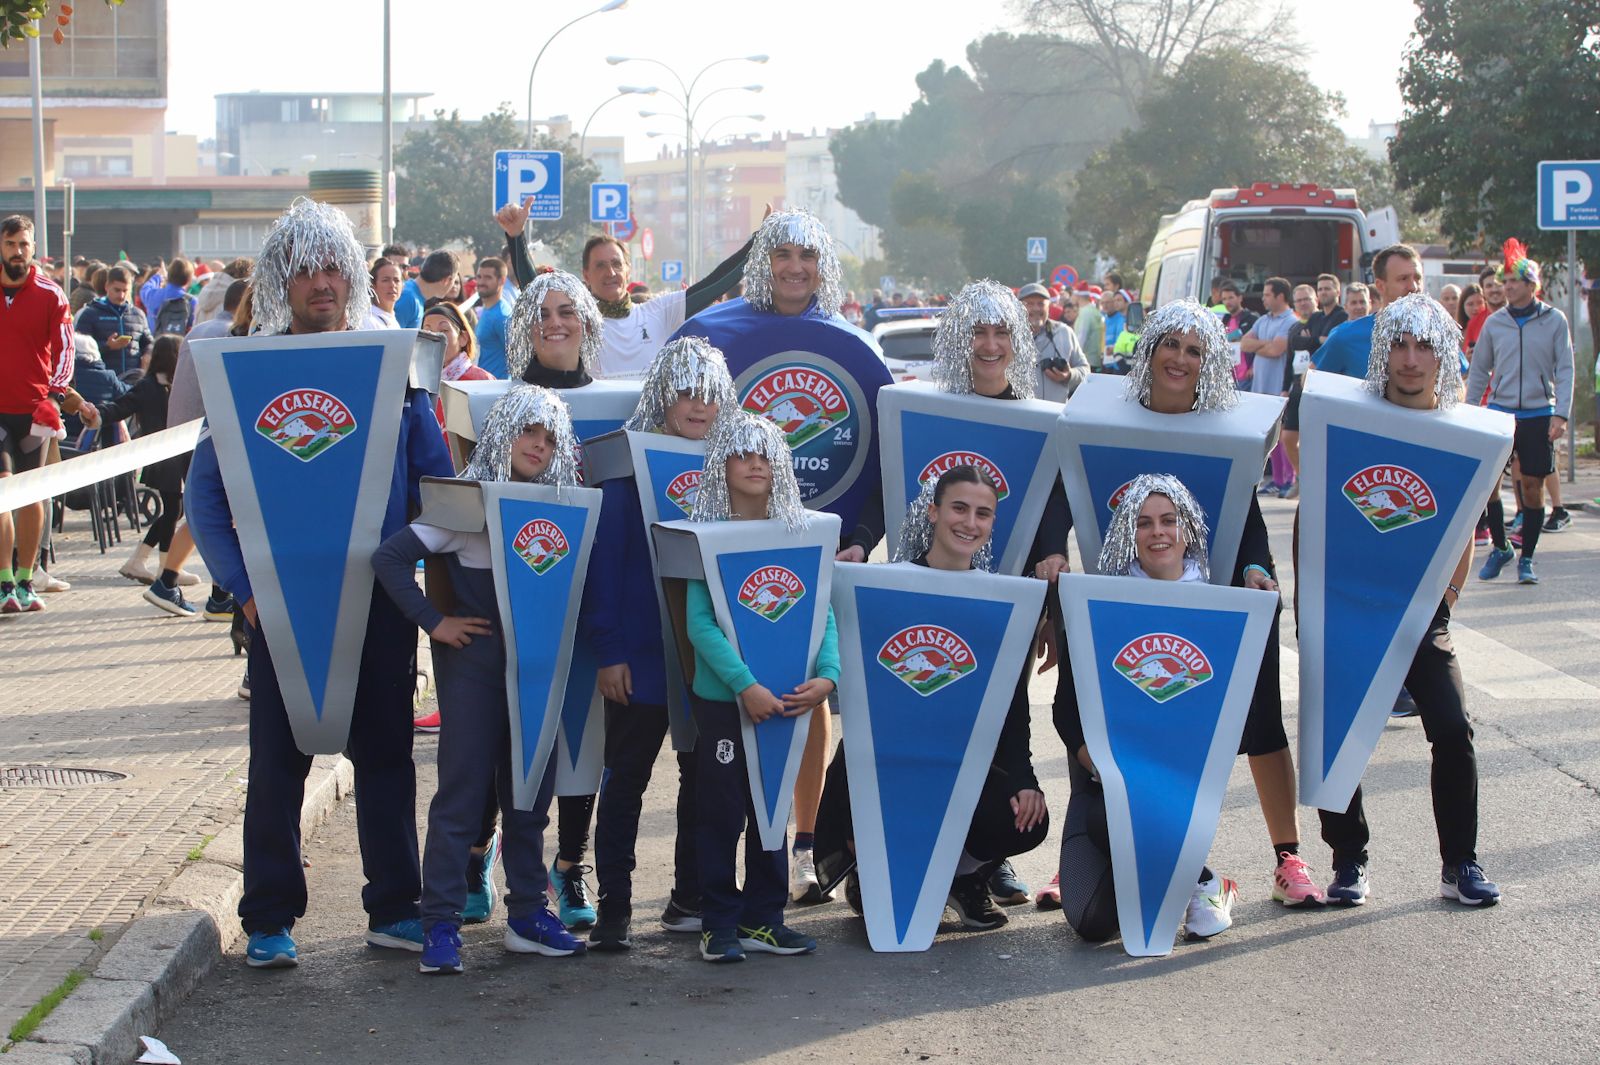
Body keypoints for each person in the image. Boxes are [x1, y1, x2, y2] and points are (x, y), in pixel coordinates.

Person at [186, 198, 454, 967]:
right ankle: (268, 916)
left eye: (333, 264)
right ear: (279, 280)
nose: (320, 281)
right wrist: (242, 587)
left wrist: (411, 565)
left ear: (354, 275)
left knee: (387, 753)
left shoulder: (390, 368)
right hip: (280, 606)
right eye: (302, 268)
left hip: (378, 605)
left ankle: (395, 906)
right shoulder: (250, 370)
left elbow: (434, 482)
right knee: (278, 760)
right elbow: (203, 495)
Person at [1060, 299, 1324, 908]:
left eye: (1195, 350)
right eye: (1170, 345)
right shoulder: (1101, 416)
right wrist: (1052, 555)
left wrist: (1257, 568)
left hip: (1216, 595)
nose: (1180, 359)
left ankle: (1287, 858)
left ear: (1210, 363)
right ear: (1148, 349)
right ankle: (1086, 849)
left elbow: (1247, 514)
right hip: (1120, 598)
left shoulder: (1225, 432)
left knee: (1260, 723)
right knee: (1105, 719)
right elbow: (1061, 488)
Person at [674, 209, 892, 907]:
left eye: (807, 255)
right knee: (713, 704)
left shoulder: (855, 348)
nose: (795, 267)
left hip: (814, 551)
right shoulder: (711, 333)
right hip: (720, 549)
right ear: (759, 260)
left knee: (805, 689)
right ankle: (701, 872)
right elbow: (666, 428)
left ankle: (800, 847)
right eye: (782, 253)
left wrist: (860, 532)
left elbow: (891, 461)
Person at [374, 384, 591, 975]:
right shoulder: (466, 503)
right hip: (474, 675)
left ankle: (527, 915)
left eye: (549, 438)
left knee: (529, 797)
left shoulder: (564, 505)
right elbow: (389, 559)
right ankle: (439, 924)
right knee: (461, 798)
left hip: (538, 675)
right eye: (528, 432)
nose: (538, 446)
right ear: (502, 433)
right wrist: (433, 622)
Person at [1310, 293, 1500, 907]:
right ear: (1382, 351)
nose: (1411, 359)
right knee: (1339, 732)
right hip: (1345, 603)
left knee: (1452, 726)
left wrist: (1442, 599)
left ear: (1443, 354)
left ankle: (1460, 864)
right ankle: (1348, 859)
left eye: (1424, 346)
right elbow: (1315, 510)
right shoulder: (1349, 417)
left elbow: (1466, 528)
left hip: (1422, 610)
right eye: (1399, 344)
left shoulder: (1465, 434)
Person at [815, 465, 1051, 929]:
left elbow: (1012, 704)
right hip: (889, 760)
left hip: (964, 760)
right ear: (933, 511)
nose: (969, 522)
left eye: (983, 514)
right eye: (959, 508)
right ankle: (871, 872)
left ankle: (961, 877)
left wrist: (1024, 777)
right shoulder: (886, 585)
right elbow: (861, 702)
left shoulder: (1002, 600)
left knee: (1023, 817)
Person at [582, 337, 734, 950]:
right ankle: (613, 909)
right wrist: (609, 651)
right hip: (640, 657)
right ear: (662, 397)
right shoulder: (628, 469)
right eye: (685, 392)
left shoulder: (735, 468)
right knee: (626, 783)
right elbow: (601, 566)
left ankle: (689, 898)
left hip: (708, 662)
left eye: (709, 394)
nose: (698, 406)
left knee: (704, 781)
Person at [1055, 474, 1242, 942]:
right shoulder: (1099, 603)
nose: (1157, 532)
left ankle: (1202, 883)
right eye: (1143, 523)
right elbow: (1065, 708)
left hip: (1178, 785)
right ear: (1127, 535)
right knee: (1093, 925)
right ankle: (1191, 876)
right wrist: (1094, 763)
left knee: (1149, 811)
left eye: (1168, 521)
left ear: (1189, 530)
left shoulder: (1222, 607)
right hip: (1106, 788)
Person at [684, 412, 838, 963]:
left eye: (766, 454)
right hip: (728, 703)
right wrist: (744, 685)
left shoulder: (803, 534)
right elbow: (700, 624)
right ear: (720, 464)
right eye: (742, 453)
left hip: (790, 700)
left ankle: (765, 918)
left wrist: (829, 676)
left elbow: (823, 614)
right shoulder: (708, 535)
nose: (755, 464)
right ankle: (718, 923)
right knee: (722, 813)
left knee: (772, 809)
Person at [503, 267, 606, 928]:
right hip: (519, 597)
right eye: (542, 312)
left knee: (582, 740)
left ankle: (570, 867)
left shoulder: (620, 404)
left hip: (590, 596)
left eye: (568, 310)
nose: (556, 322)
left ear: (588, 321)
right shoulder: (500, 404)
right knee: (511, 737)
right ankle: (497, 858)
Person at [495, 202, 755, 379]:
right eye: (600, 266)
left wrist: (757, 244)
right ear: (585, 274)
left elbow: (714, 285)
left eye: (616, 264)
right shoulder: (577, 321)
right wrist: (516, 237)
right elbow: (537, 292)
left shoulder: (659, 312)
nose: (610, 273)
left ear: (628, 270)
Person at [1466, 241, 1574, 586]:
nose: (1506, 286)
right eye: (1504, 280)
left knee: (1531, 488)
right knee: (1490, 486)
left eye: (1514, 281)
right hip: (1500, 413)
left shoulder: (1554, 320)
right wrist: (1471, 414)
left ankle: (1527, 558)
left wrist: (1562, 415)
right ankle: (1500, 547)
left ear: (1531, 285)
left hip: (1539, 413)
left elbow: (1566, 369)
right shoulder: (1495, 323)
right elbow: (1480, 370)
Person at [0, 215, 86, 615]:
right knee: (3, 491)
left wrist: (54, 395)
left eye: (24, 244)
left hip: (36, 411)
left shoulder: (52, 295)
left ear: (34, 248)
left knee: (32, 494)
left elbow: (65, 350)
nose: (18, 251)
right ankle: (3, 584)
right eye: (11, 243)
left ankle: (24, 580)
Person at [81, 335, 199, 613]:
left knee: (175, 511)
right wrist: (96, 415)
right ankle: (159, 566)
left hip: (177, 457)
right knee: (174, 511)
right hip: (161, 457)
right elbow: (121, 406)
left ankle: (153, 563)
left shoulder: (176, 387)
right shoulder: (149, 386)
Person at [1241, 276, 1297, 494]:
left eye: (1266, 294)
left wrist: (1260, 346)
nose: (1262, 299)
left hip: (1278, 388)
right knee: (1269, 436)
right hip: (1261, 388)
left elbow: (1277, 351)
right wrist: (1266, 345)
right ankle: (1276, 478)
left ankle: (1287, 480)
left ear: (1280, 296)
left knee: (1283, 436)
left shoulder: (1290, 321)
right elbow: (1244, 344)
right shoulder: (1262, 320)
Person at [74, 265, 154, 378]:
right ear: (107, 286)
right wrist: (107, 346)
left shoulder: (138, 315)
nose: (121, 296)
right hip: (102, 381)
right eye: (117, 290)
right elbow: (79, 349)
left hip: (133, 381)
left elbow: (148, 342)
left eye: (125, 291)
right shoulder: (90, 314)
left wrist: (148, 354)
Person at [1020, 281, 1089, 403]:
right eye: (1030, 304)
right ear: (1018, 306)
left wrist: (1069, 376)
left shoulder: (1064, 332)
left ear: (1049, 306)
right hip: (1018, 417)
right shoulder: (1007, 335)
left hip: (1056, 416)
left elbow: (1085, 370)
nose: (1036, 308)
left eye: (1041, 304)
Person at [472, 257, 515, 379]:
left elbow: (517, 358)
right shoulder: (487, 309)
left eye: (488, 277)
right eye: (479, 277)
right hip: (484, 386)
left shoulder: (503, 316)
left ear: (501, 280)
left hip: (497, 389)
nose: (481, 282)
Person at [395, 250, 456, 329]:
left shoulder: (413, 295)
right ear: (447, 280)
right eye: (454, 281)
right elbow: (392, 338)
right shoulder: (408, 298)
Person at [147, 258, 198, 336]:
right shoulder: (192, 301)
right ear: (189, 279)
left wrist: (158, 276)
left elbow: (145, 288)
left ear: (169, 275)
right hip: (181, 344)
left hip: (158, 344)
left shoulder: (154, 295)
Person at [1073, 284, 1105, 371]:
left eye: (1073, 294)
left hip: (1087, 362)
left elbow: (1082, 336)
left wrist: (1074, 358)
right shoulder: (1091, 310)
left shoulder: (1086, 312)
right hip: (1093, 360)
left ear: (1078, 296)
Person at [369, 258, 403, 328]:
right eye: (385, 280)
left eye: (396, 280)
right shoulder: (368, 321)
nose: (392, 285)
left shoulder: (393, 322)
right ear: (373, 286)